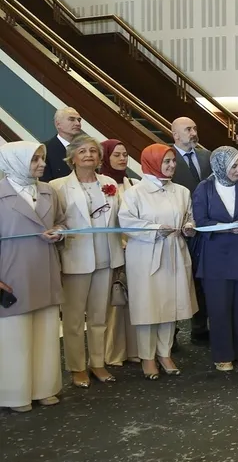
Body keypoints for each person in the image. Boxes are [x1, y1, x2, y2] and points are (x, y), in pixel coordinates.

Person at [50, 134, 125, 388]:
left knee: (99, 316)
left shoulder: (108, 183)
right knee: (73, 319)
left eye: (93, 151)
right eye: (82, 151)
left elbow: (120, 217)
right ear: (72, 157)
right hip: (75, 258)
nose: (88, 155)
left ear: (99, 157)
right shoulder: (58, 186)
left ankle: (97, 362)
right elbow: (55, 220)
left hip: (106, 257)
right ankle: (77, 367)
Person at [116, 144, 197, 379]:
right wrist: (155, 229)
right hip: (145, 254)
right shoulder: (135, 193)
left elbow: (189, 217)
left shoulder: (181, 191)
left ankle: (165, 352)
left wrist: (189, 227)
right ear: (152, 162)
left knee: (170, 304)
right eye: (166, 161)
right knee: (148, 306)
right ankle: (147, 357)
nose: (172, 165)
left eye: (173, 161)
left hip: (174, 251)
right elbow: (127, 223)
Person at [0, 142, 66, 412]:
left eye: (42, 158)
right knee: (14, 337)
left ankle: (44, 388)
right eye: (34, 159)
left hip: (46, 270)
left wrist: (59, 232)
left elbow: (63, 221)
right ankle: (15, 394)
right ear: (15, 161)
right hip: (11, 274)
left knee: (47, 333)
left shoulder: (49, 191)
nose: (42, 164)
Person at [192, 148, 238, 372]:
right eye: (234, 166)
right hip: (215, 257)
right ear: (220, 166)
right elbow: (200, 222)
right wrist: (226, 228)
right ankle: (223, 354)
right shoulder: (204, 188)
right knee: (219, 309)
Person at [169, 116, 211, 345]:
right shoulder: (168, 158)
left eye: (194, 128)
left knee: (202, 278)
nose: (193, 133)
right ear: (175, 134)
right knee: (176, 281)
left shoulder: (207, 156)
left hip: (205, 228)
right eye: (187, 129)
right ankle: (171, 334)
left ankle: (200, 327)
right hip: (178, 228)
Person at [100, 138, 139, 366]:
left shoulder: (132, 183)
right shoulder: (100, 185)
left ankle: (134, 349)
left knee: (134, 302)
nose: (122, 158)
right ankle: (114, 352)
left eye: (125, 154)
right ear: (106, 157)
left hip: (135, 250)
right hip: (112, 251)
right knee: (114, 302)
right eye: (116, 155)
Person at [39, 106, 82, 182]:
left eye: (79, 120)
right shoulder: (45, 149)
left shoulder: (86, 148)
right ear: (58, 124)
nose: (77, 123)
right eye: (71, 119)